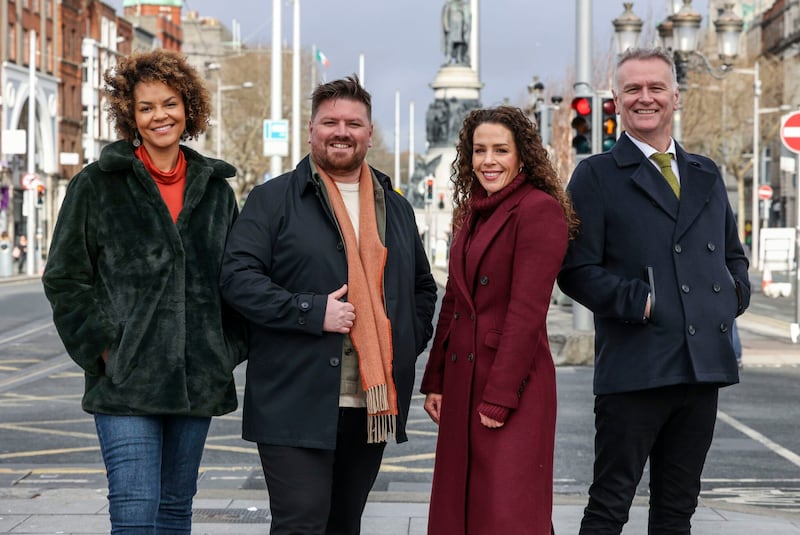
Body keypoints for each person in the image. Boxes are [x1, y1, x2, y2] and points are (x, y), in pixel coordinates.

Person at [219, 76, 437, 535]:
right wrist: (310, 311)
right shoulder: (273, 199)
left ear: (370, 133)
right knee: (301, 521)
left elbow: (421, 286)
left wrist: (405, 340)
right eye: (330, 122)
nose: (342, 131)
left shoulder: (394, 206)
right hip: (292, 396)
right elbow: (237, 280)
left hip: (370, 400)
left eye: (353, 123)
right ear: (311, 129)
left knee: (344, 523)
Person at [41, 49, 247, 533]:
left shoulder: (216, 190)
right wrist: (104, 349)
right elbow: (65, 278)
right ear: (130, 117)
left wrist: (224, 349)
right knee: (134, 510)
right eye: (147, 107)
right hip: (125, 380)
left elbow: (237, 279)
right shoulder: (96, 185)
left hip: (197, 379)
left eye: (170, 104)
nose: (160, 116)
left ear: (188, 109)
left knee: (176, 509)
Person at [558, 47, 750, 534]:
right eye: (633, 90)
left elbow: (733, 255)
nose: (646, 98)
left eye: (656, 88)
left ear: (676, 97)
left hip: (702, 367)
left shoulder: (707, 172)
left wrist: (732, 295)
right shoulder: (596, 175)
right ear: (617, 102)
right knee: (609, 506)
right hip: (635, 368)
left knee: (677, 510)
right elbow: (576, 270)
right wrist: (644, 302)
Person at [421, 106, 578, 534]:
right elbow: (454, 300)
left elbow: (527, 312)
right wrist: (435, 380)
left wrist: (500, 396)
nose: (488, 160)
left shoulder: (538, 210)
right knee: (459, 510)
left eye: (500, 150)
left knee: (507, 512)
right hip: (463, 381)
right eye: (479, 150)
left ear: (522, 156)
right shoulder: (470, 213)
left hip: (510, 388)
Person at [441, 0, 471, 65]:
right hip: (451, 26)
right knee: (450, 43)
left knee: (459, 42)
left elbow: (466, 17)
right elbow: (445, 16)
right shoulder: (449, 4)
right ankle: (448, 58)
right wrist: (446, 26)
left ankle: (459, 57)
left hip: (460, 26)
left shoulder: (463, 5)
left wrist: (465, 25)